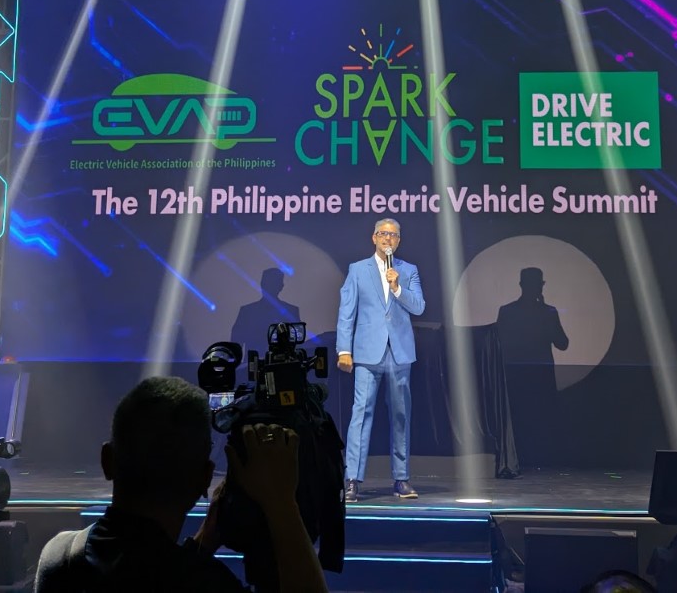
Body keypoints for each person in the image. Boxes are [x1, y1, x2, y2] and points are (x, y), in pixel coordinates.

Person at [33, 375, 328, 593]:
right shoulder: (208, 584)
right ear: (205, 478)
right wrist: (281, 504)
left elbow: (144, 569)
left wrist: (203, 542)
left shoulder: (59, 557)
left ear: (106, 460)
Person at [336, 216, 426, 502]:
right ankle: (352, 479)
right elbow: (347, 311)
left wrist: (397, 287)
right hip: (367, 352)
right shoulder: (358, 270)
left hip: (399, 353)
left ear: (399, 241)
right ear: (374, 237)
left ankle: (401, 478)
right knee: (361, 413)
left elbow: (419, 307)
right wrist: (344, 350)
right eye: (384, 234)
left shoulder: (408, 270)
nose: (389, 238)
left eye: (394, 235)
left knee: (401, 415)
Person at [496, 266, 569, 465]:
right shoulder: (545, 312)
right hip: (528, 374)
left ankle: (524, 458)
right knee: (532, 418)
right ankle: (536, 459)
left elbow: (563, 344)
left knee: (528, 418)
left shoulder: (511, 311)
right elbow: (563, 343)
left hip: (526, 374)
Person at [231, 267, 301, 356]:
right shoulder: (246, 312)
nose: (271, 286)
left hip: (280, 362)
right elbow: (235, 345)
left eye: (274, 283)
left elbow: (298, 343)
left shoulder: (247, 311)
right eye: (270, 283)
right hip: (256, 362)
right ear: (281, 286)